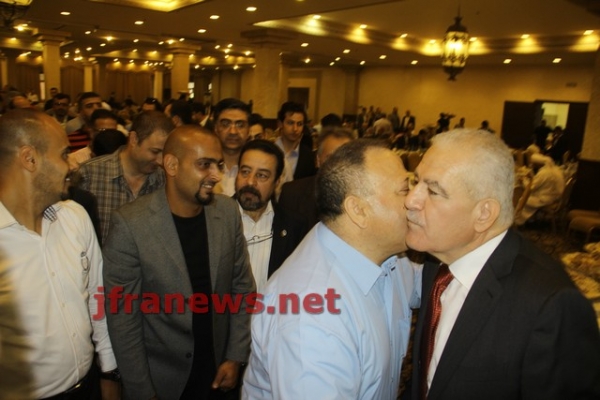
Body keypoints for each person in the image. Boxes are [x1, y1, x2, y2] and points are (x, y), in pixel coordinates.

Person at [405, 129, 600, 399]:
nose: (411, 200)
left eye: (433, 191)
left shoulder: (551, 305)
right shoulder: (438, 260)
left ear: (484, 214)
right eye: (415, 182)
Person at [243, 139, 422, 399]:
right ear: (358, 210)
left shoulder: (387, 257)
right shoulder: (312, 319)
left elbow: (423, 284)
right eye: (405, 189)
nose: (416, 200)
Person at [103, 124, 255, 400]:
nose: (216, 175)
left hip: (218, 372)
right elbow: (123, 319)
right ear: (171, 165)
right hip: (161, 381)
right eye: (204, 165)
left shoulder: (227, 212)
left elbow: (242, 289)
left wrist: (235, 356)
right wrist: (142, 392)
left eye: (218, 165)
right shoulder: (130, 224)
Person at [0, 109, 119, 399]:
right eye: (64, 154)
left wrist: (109, 371)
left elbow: (98, 296)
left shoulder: (75, 216)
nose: (73, 165)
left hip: (88, 386)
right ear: (30, 159)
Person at [78, 110, 174, 244]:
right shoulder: (88, 174)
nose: (160, 161)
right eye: (155, 151)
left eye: (165, 153)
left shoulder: (166, 181)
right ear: (134, 139)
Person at [234, 139, 307, 292]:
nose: (250, 182)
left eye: (261, 175)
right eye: (245, 172)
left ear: (277, 182)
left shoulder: (294, 227)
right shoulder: (214, 220)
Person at [278, 126, 354, 228]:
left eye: (345, 158)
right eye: (330, 158)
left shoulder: (365, 197)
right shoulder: (292, 193)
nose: (338, 165)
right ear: (318, 160)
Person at [213, 98, 251, 196]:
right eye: (225, 124)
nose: (233, 132)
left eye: (240, 125)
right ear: (216, 128)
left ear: (248, 130)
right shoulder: (203, 166)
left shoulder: (257, 167)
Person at [514, 155, 566, 226]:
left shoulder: (544, 173)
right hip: (554, 197)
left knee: (521, 198)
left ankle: (517, 220)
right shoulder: (555, 169)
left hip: (546, 199)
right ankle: (530, 219)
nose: (532, 165)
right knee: (527, 195)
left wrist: (523, 180)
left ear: (538, 164)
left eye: (533, 164)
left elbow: (531, 187)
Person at [275, 101, 317, 183]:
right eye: (290, 123)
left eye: (299, 124)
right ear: (280, 124)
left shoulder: (308, 155)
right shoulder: (270, 150)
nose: (295, 129)